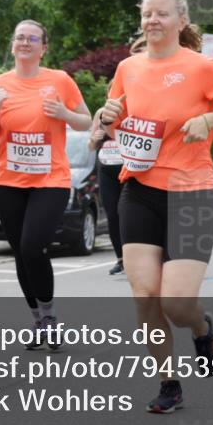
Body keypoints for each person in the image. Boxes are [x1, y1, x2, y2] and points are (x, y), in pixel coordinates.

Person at [99, 0, 213, 414]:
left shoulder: (201, 67)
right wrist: (105, 115)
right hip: (140, 190)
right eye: (147, 14)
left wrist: (208, 120)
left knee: (177, 303)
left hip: (191, 193)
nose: (152, 21)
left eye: (161, 14)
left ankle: (203, 329)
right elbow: (113, 116)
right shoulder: (128, 68)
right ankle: (169, 382)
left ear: (181, 21)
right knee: (145, 295)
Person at [0, 19, 92, 350]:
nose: (24, 42)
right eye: (19, 37)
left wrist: (63, 113)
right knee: (20, 252)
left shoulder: (59, 80)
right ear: (13, 45)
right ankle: (38, 319)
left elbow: (87, 121)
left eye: (32, 38)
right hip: (7, 180)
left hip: (51, 179)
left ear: (44, 47)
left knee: (33, 247)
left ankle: (49, 316)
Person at [87, 36, 152, 277]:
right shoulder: (102, 113)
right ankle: (121, 257)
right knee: (113, 213)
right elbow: (91, 144)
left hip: (129, 167)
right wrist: (96, 137)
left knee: (129, 213)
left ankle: (139, 256)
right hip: (107, 168)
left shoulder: (135, 112)